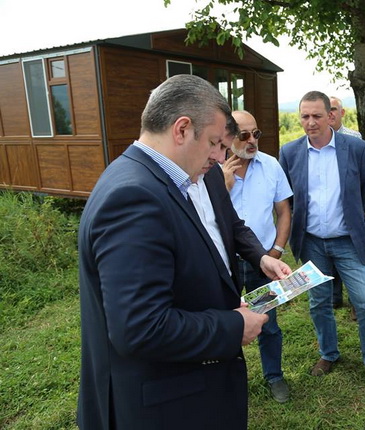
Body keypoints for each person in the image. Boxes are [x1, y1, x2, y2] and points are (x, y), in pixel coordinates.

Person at [76, 74, 289, 430]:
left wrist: (258, 257)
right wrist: (234, 326)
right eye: (214, 143)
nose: (221, 156)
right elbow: (141, 328)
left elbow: (223, 227)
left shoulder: (182, 173)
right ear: (182, 129)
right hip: (164, 404)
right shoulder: (133, 198)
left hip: (192, 386)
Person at [279, 91, 365, 392]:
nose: (310, 122)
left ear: (330, 116)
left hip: (347, 241)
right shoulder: (289, 152)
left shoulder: (357, 148)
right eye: (305, 116)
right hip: (311, 243)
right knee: (319, 303)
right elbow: (288, 198)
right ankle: (328, 353)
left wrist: (350, 218)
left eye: (317, 116)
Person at [219, 110, 294, 403]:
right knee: (224, 323)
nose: (252, 140)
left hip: (262, 262)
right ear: (229, 136)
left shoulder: (271, 165)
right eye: (244, 135)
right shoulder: (212, 169)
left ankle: (274, 376)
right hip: (224, 265)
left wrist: (276, 250)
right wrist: (223, 187)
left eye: (256, 134)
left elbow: (284, 211)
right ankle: (225, 381)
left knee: (268, 322)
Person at [329, 95, 360, 316]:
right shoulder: (314, 140)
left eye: (333, 108)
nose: (330, 113)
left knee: (351, 256)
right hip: (326, 211)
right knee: (329, 257)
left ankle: (357, 299)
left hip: (350, 210)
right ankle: (334, 297)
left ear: (342, 112)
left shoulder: (354, 138)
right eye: (327, 109)